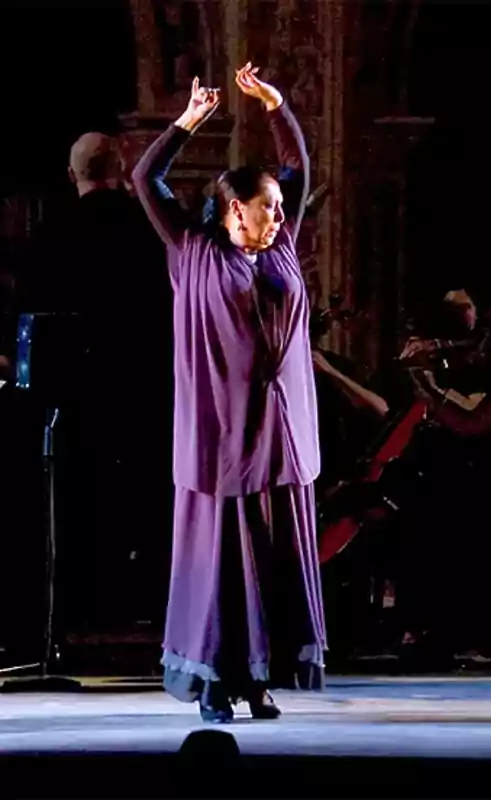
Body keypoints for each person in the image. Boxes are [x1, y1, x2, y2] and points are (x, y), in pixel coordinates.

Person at [131, 63, 325, 723]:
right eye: (265, 206)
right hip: (221, 438)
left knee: (271, 561)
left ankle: (259, 679)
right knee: (221, 567)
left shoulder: (283, 248)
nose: (278, 215)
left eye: (279, 207)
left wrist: (276, 106)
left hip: (280, 435)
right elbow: (144, 180)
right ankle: (215, 680)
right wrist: (186, 122)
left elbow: (300, 168)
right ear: (232, 207)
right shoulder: (192, 249)